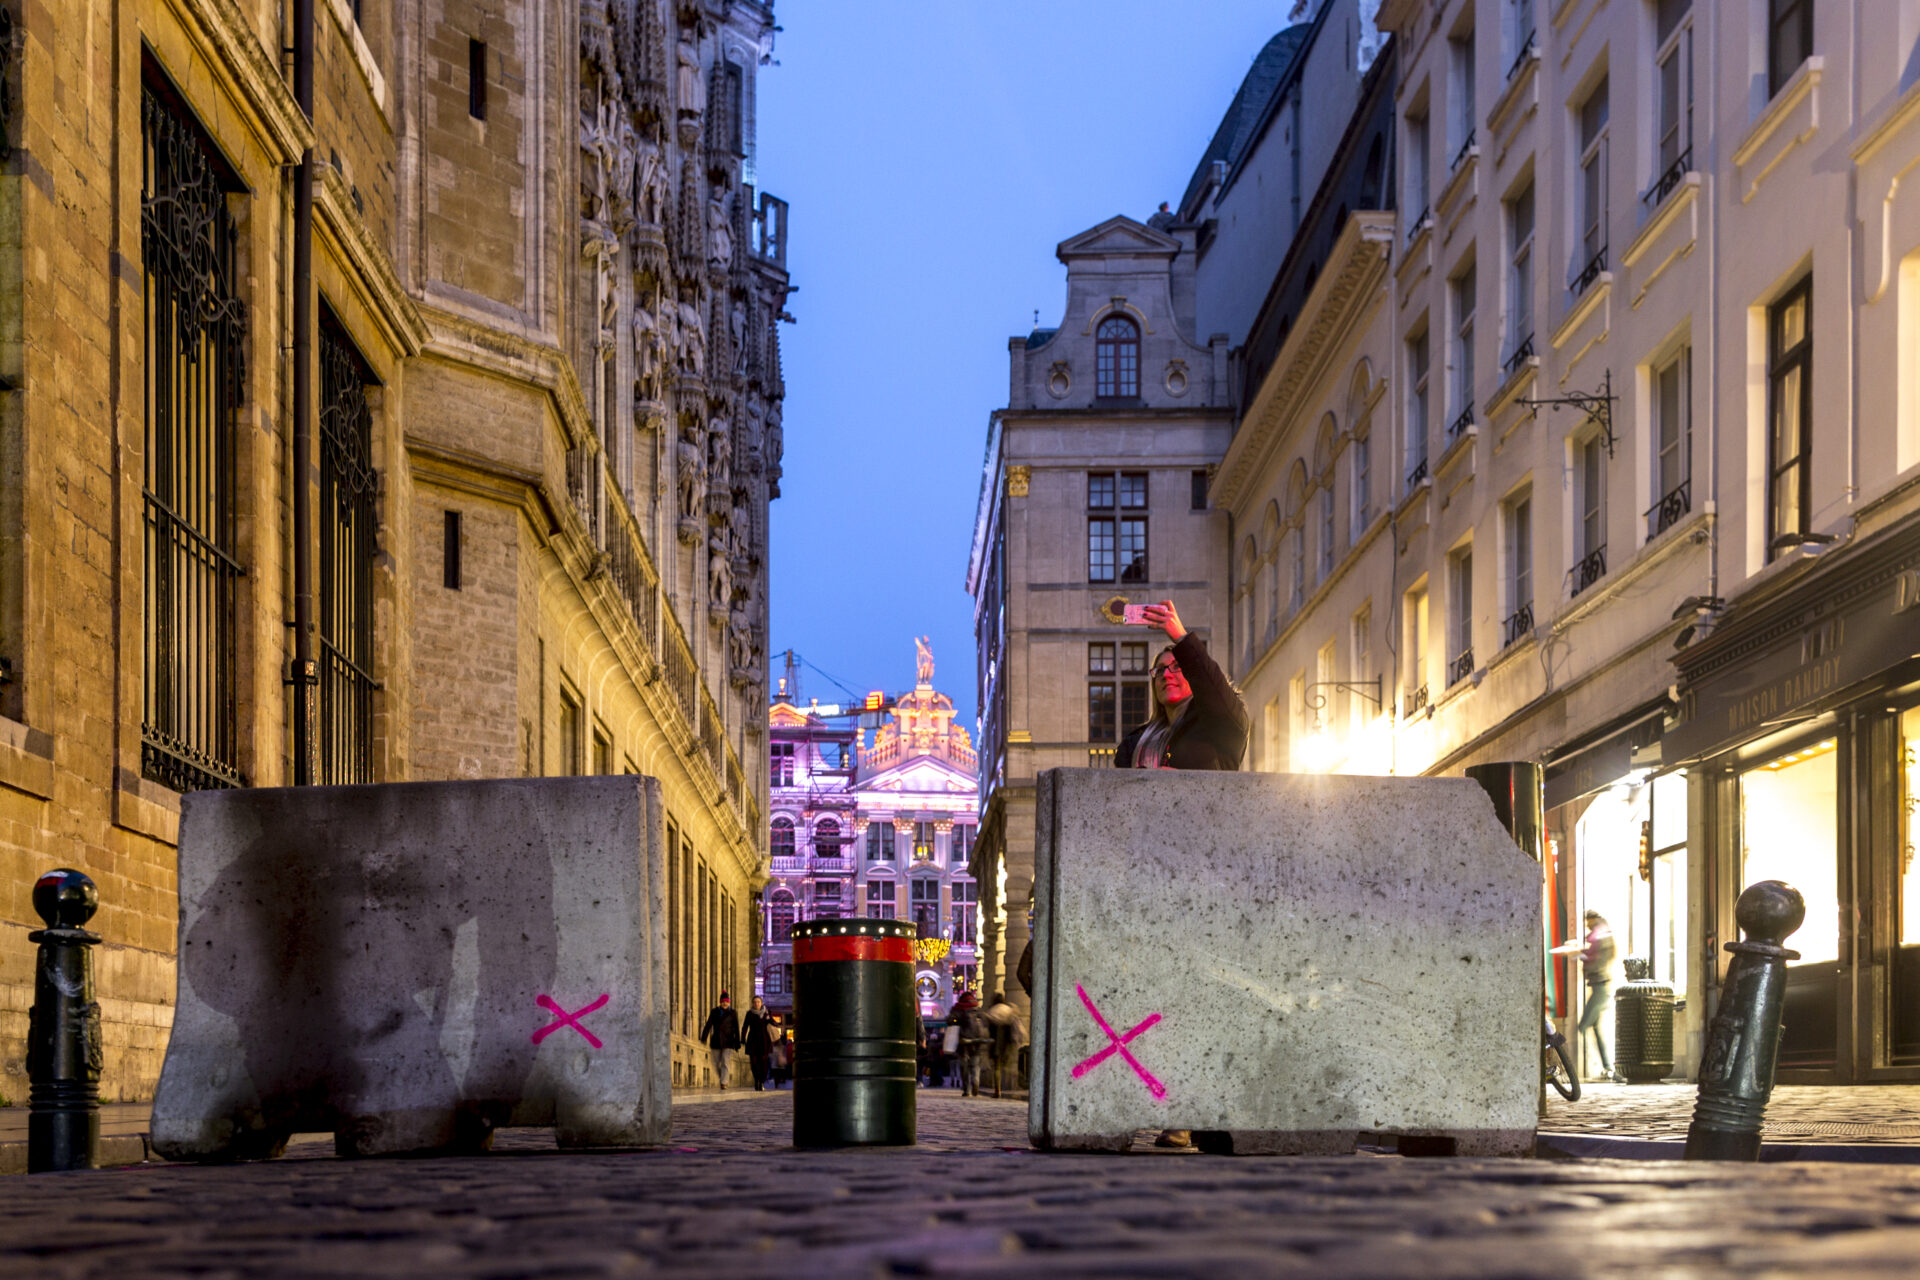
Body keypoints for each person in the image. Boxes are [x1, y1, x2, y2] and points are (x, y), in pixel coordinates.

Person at [1116, 601, 1250, 770]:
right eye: (1160, 670)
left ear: (1191, 674)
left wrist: (1182, 638)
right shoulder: (1133, 744)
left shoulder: (1218, 725)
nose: (1166, 674)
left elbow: (1213, 689)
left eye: (1177, 667)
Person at [1552, 911, 1621, 1082]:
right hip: (1599, 985)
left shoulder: (1600, 936)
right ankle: (1608, 1067)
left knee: (1583, 1026)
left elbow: (1596, 959)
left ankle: (1572, 1067)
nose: (1587, 925)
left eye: (1588, 922)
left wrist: (1576, 954)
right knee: (1596, 1028)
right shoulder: (1600, 935)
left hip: (1601, 986)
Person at [983, 990, 1027, 1100]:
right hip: (1007, 1042)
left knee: (997, 1068)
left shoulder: (991, 1011)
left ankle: (998, 1089)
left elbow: (985, 1028)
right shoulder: (1008, 1010)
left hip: (995, 1042)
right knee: (1008, 1065)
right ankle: (1011, 1085)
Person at [952, 989, 991, 1097]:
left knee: (964, 1065)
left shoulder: (958, 1009)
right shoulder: (978, 1009)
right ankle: (976, 1079)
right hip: (978, 1040)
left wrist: (955, 1021)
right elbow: (986, 1022)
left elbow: (950, 1020)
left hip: (964, 1040)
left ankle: (967, 1090)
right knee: (975, 1064)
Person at [699, 991, 741, 1089]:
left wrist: (737, 1042)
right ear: (720, 1002)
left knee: (725, 1062)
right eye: (723, 1001)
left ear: (729, 1002)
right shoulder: (714, 1011)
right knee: (715, 1063)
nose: (724, 1003)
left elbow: (736, 1028)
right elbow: (708, 1024)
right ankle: (722, 1077)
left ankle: (724, 1082)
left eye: (726, 1001)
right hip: (716, 1040)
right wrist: (704, 1037)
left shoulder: (733, 1013)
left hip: (728, 1041)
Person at [742, 995, 774, 1091]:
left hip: (764, 1041)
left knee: (763, 1064)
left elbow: (773, 1024)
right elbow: (745, 1026)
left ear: (761, 1003)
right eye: (755, 1002)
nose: (756, 1004)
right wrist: (742, 1038)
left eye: (758, 1002)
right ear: (753, 1003)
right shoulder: (749, 1014)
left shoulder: (766, 1013)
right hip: (753, 1041)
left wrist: (770, 1020)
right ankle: (756, 1080)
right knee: (754, 1063)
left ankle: (762, 1081)